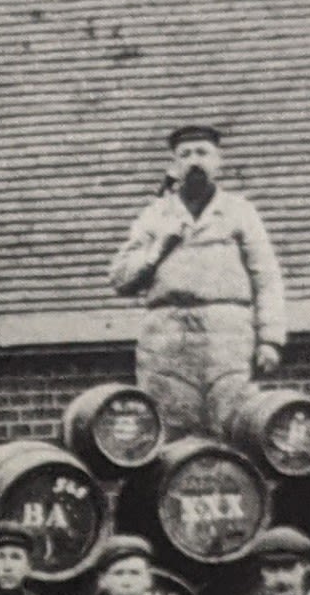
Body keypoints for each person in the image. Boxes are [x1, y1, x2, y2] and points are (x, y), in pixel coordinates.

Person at [107, 125, 286, 437]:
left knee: (231, 424)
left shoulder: (240, 212)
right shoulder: (156, 214)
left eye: (202, 153)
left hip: (227, 336)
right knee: (169, 426)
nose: (194, 161)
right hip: (167, 338)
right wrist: (158, 248)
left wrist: (270, 339)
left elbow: (266, 277)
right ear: (174, 166)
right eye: (185, 154)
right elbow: (120, 278)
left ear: (218, 162)